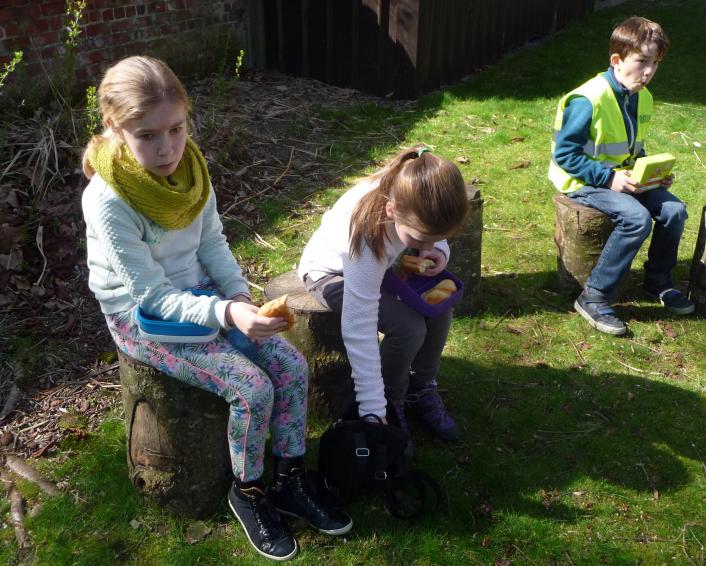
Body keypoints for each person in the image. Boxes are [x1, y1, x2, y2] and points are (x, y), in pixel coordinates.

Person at [80, 55, 350, 562]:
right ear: (116, 129)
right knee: (251, 389)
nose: (167, 149)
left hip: (205, 294)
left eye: (177, 129)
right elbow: (153, 298)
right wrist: (229, 317)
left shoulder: (192, 170)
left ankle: (290, 478)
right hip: (141, 319)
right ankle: (247, 492)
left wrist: (241, 299)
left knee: (290, 365)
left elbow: (214, 246)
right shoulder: (108, 200)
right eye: (148, 136)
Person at [298, 147, 469, 453]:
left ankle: (421, 387)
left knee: (440, 310)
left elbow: (432, 232)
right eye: (420, 240)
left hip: (383, 268)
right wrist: (372, 409)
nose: (425, 246)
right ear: (391, 211)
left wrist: (439, 251)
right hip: (332, 274)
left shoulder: (413, 187)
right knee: (409, 328)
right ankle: (391, 400)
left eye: (435, 238)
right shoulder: (367, 237)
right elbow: (358, 326)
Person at [548, 16, 694, 336]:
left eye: (655, 63)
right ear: (617, 60)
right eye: (642, 61)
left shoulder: (642, 96)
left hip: (621, 176)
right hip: (582, 181)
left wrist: (651, 175)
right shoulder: (587, 99)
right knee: (636, 218)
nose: (649, 72)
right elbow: (565, 156)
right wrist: (609, 179)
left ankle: (657, 281)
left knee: (674, 210)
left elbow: (630, 149)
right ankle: (594, 296)